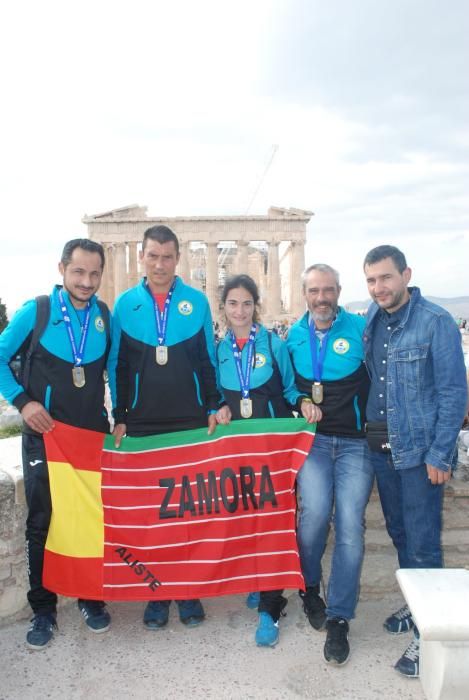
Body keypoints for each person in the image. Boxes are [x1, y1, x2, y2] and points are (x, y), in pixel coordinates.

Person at [108, 224, 222, 630]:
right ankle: (156, 593)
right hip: (141, 422)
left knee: (188, 510)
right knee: (151, 516)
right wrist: (120, 415)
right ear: (142, 257)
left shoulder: (196, 301)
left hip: (190, 420)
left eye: (167, 256)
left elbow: (208, 359)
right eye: (153, 255)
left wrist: (214, 405)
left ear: (178, 259)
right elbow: (118, 365)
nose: (160, 264)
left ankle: (188, 590)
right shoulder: (125, 304)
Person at [0, 239, 112, 649]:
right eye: (79, 272)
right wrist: (23, 402)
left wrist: (121, 422)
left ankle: (90, 599)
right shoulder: (38, 311)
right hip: (45, 438)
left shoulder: (103, 315)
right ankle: (43, 610)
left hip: (90, 440)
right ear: (62, 269)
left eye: (94, 273)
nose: (86, 281)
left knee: (90, 520)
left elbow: (113, 368)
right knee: (42, 523)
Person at [362, 245, 467, 677]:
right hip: (382, 450)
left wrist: (441, 453)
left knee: (424, 542)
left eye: (385, 278)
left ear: (406, 274)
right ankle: (417, 605)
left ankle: (429, 638)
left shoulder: (436, 322)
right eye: (370, 280)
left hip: (420, 453)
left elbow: (453, 392)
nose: (378, 288)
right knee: (401, 532)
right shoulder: (372, 317)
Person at [214, 274, 321, 647]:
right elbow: (215, 397)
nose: (240, 311)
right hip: (237, 454)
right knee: (245, 520)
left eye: (246, 303)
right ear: (223, 308)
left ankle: (271, 608)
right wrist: (217, 409)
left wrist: (304, 402)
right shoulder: (219, 350)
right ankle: (259, 582)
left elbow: (291, 389)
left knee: (274, 524)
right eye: (232, 303)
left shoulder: (274, 344)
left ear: (255, 305)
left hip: (272, 455)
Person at [286, 264, 373, 666]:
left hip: (356, 445)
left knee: (351, 526)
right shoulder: (293, 335)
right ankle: (309, 587)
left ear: (339, 291)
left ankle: (339, 616)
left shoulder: (360, 329)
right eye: (314, 291)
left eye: (328, 290)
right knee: (313, 518)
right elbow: (287, 383)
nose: (321, 298)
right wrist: (299, 401)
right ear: (304, 294)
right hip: (315, 444)